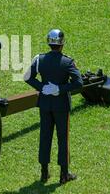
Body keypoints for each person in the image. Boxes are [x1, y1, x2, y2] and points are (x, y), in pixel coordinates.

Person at [24, 29, 83, 184]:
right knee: (63, 139)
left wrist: (41, 87)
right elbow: (78, 82)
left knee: (45, 137)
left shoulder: (40, 59)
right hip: (61, 105)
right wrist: (60, 89)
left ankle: (44, 173)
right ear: (62, 44)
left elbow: (27, 77)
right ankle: (64, 174)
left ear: (48, 42)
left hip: (44, 104)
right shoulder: (67, 62)